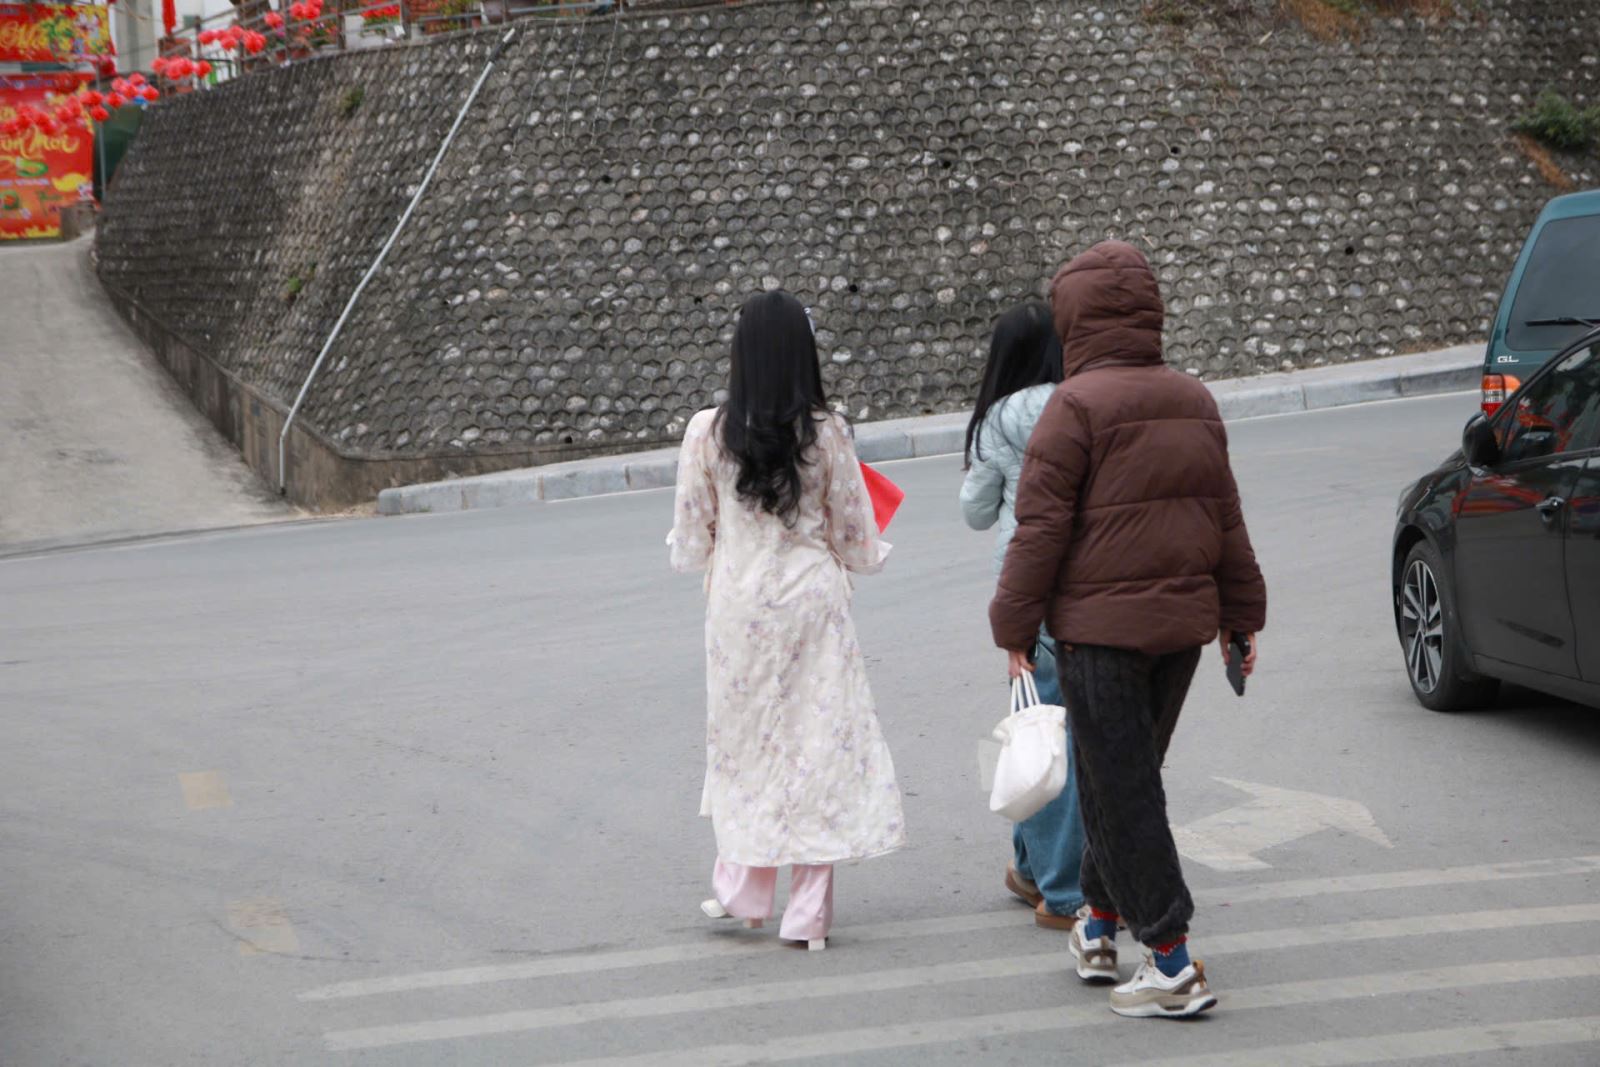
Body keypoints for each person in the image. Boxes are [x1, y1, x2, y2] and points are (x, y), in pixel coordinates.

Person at [989, 240, 1267, 1018]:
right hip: (1180, 634)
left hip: (1098, 637)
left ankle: (1170, 961)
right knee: (1123, 778)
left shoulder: (1072, 407)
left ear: (1073, 318)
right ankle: (1098, 924)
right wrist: (1241, 616)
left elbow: (1038, 531)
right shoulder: (1194, 398)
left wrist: (1013, 625)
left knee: (1124, 787)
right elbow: (1226, 517)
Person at [668, 289, 907, 950]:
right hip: (812, 605)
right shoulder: (825, 431)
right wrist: (858, 553)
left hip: (738, 609)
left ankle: (746, 890)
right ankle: (807, 916)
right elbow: (854, 534)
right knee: (816, 744)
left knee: (746, 746)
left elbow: (692, 538)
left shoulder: (707, 431)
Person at [959, 301, 1086, 932]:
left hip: (1024, 589)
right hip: (1084, 584)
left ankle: (1056, 887)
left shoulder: (995, 421)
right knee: (1068, 734)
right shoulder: (1079, 404)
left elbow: (976, 512)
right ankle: (1040, 871)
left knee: (1039, 730)